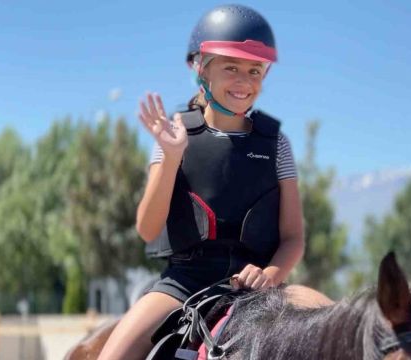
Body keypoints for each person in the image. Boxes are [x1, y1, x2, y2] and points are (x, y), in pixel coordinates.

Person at [98, 5, 312, 359]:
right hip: (184, 282)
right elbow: (148, 228)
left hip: (262, 284)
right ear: (200, 68)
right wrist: (170, 156)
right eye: (231, 67)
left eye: (255, 70)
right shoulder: (172, 133)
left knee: (337, 325)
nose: (244, 81)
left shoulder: (278, 145)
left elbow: (293, 238)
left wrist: (270, 274)